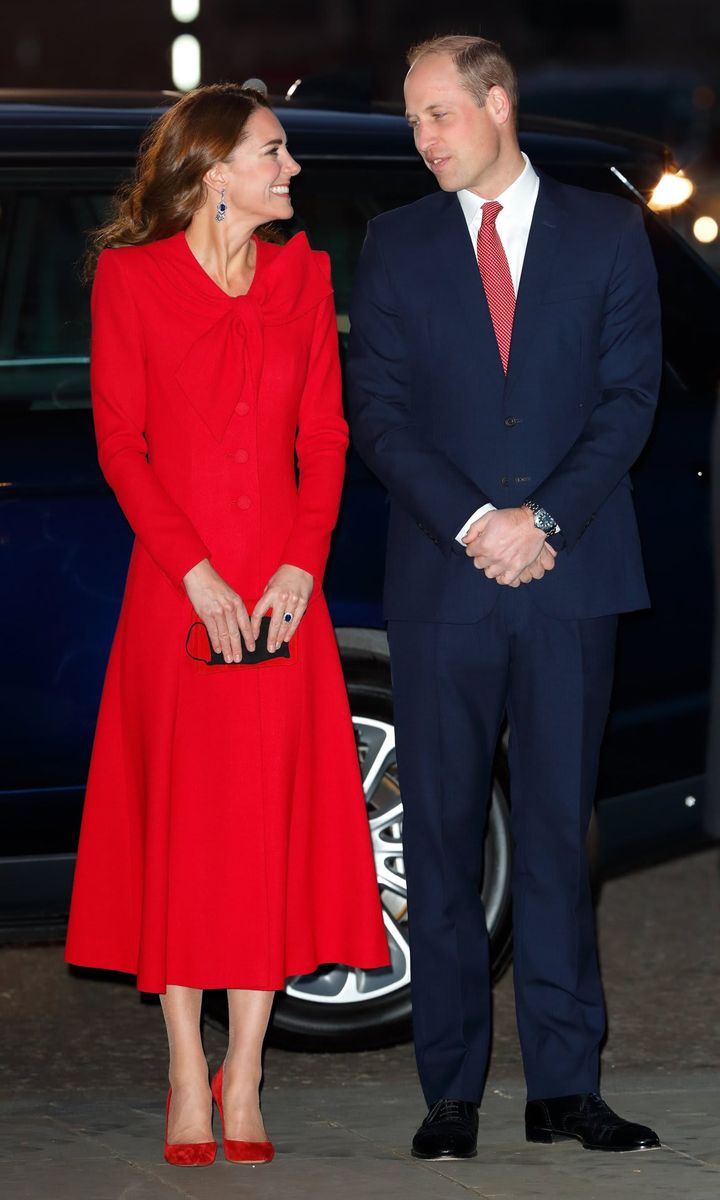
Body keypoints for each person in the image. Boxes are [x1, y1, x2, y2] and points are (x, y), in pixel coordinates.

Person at [347, 35, 662, 1159]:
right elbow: (377, 412)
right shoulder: (395, 244)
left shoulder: (609, 232)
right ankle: (451, 1093)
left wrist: (548, 523)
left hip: (572, 578)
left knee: (554, 837)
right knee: (438, 838)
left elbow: (630, 401)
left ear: (496, 103)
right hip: (445, 581)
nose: (421, 139)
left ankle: (565, 1087)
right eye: (413, 121)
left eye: (436, 115)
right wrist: (480, 525)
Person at [65, 82, 389, 1168]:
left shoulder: (304, 280)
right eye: (273, 152)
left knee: (266, 834)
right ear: (214, 175)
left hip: (283, 596)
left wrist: (300, 567)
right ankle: (180, 1072)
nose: (291, 170)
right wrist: (195, 573)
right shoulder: (132, 280)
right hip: (178, 595)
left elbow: (327, 437)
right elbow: (122, 445)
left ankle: (243, 1073)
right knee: (186, 836)